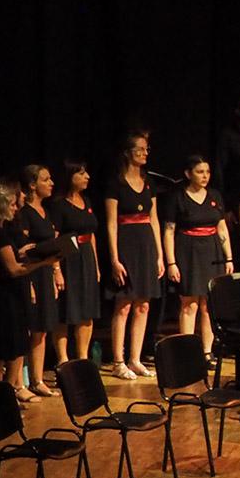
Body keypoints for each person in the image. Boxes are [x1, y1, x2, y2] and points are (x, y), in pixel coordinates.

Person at [0, 181, 61, 402]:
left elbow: (9, 258)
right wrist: (44, 262)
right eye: (12, 204)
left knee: (10, 347)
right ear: (1, 205)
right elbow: (12, 269)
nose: (15, 208)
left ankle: (5, 399)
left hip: (8, 294)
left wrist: (23, 251)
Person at [104, 131, 165, 379]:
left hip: (147, 246)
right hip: (126, 244)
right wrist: (115, 259)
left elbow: (154, 220)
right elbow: (111, 223)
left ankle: (135, 358)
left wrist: (160, 256)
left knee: (144, 304)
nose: (145, 153)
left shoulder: (148, 182)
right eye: (140, 149)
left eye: (147, 149)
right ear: (128, 152)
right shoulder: (115, 183)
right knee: (124, 305)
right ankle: (118, 361)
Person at [163, 155, 233, 359]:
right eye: (200, 172)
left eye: (207, 172)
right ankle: (187, 354)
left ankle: (206, 352)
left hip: (212, 250)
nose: (205, 176)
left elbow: (221, 228)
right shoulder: (177, 197)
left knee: (208, 304)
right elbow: (169, 231)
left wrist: (228, 257)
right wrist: (171, 263)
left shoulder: (214, 195)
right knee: (189, 303)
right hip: (188, 251)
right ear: (188, 174)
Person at [46, 159, 101, 367]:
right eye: (81, 174)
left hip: (86, 256)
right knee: (66, 310)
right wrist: (56, 269)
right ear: (70, 177)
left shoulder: (86, 201)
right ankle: (63, 361)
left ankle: (83, 359)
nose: (87, 177)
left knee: (87, 311)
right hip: (68, 259)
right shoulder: (59, 205)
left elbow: (91, 235)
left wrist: (95, 265)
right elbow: (55, 238)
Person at [16, 166, 64, 397]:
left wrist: (56, 272)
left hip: (45, 273)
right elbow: (22, 251)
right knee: (28, 328)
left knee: (42, 329)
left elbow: (52, 246)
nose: (51, 182)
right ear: (33, 185)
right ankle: (19, 383)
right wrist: (30, 282)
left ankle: (37, 379)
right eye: (46, 179)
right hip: (30, 274)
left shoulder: (46, 210)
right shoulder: (24, 212)